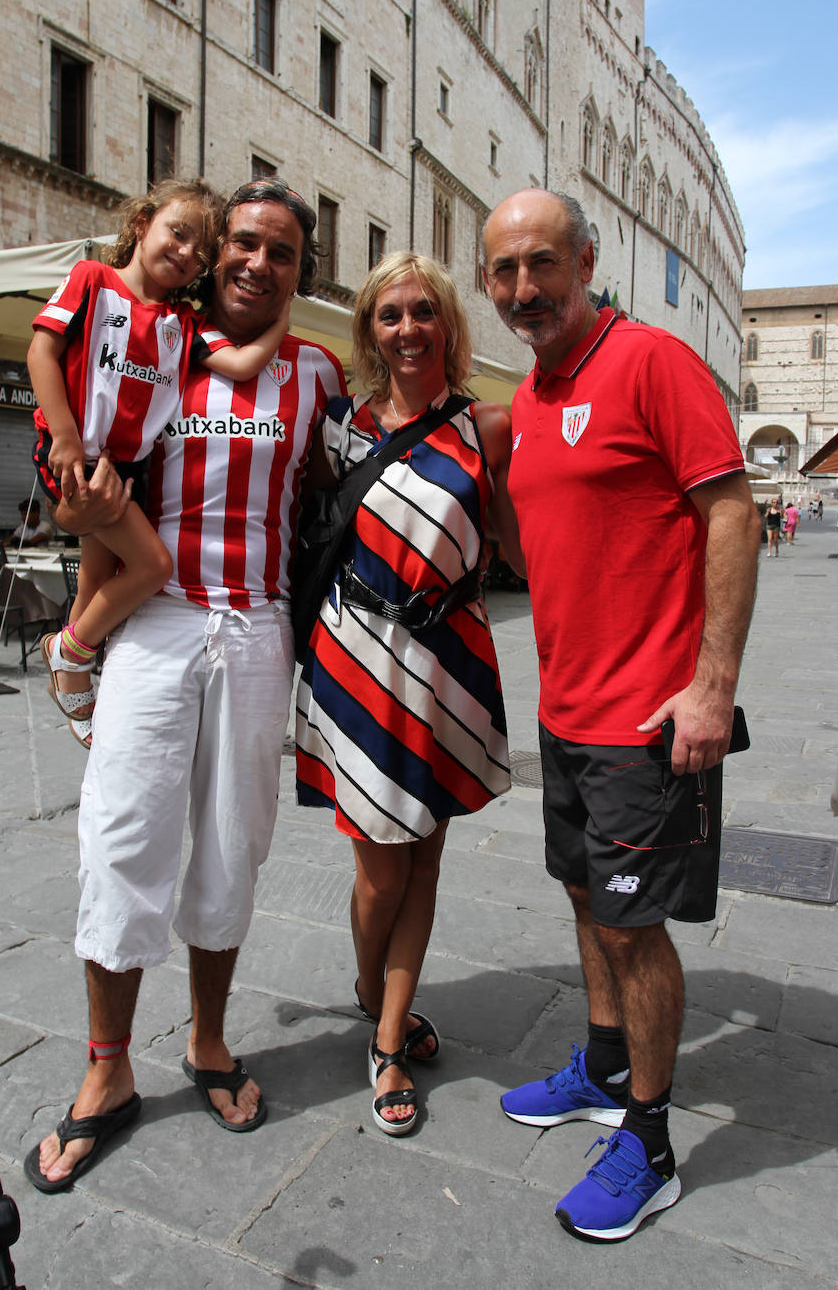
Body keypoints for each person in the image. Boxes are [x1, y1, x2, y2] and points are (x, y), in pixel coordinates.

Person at [22, 179, 345, 1193]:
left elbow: (344, 498)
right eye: (240, 244)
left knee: (233, 847)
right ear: (212, 254)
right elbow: (90, 452)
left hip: (258, 631)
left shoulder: (318, 376)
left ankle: (207, 1041)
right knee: (122, 836)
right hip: (157, 623)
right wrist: (80, 620)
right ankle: (107, 1070)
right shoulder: (158, 342)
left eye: (279, 252)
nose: (254, 261)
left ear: (300, 271)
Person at [480, 189, 761, 1242]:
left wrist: (712, 683)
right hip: (567, 715)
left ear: (585, 260)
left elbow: (729, 508)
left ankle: (647, 1142)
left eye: (540, 264)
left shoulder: (652, 364)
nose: (522, 290)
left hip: (649, 721)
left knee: (633, 929)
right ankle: (603, 1067)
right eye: (502, 272)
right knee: (586, 897)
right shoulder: (537, 393)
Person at [295, 252, 523, 1137]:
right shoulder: (338, 431)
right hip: (355, 656)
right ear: (369, 329)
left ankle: (387, 1034)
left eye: (423, 311)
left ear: (448, 326)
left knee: (425, 855)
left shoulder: (487, 428)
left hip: (448, 656)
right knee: (379, 864)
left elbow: (517, 547)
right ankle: (369, 986)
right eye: (389, 314)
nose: (406, 329)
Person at [28, 177, 292, 746]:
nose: (184, 252)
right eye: (176, 232)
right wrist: (66, 436)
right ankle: (67, 652)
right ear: (142, 222)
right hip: (80, 458)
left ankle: (73, 673)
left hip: (125, 470)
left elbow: (243, 365)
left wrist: (282, 319)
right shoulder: (90, 280)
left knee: (96, 582)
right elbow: (41, 351)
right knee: (152, 568)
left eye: (200, 250)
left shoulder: (182, 323)